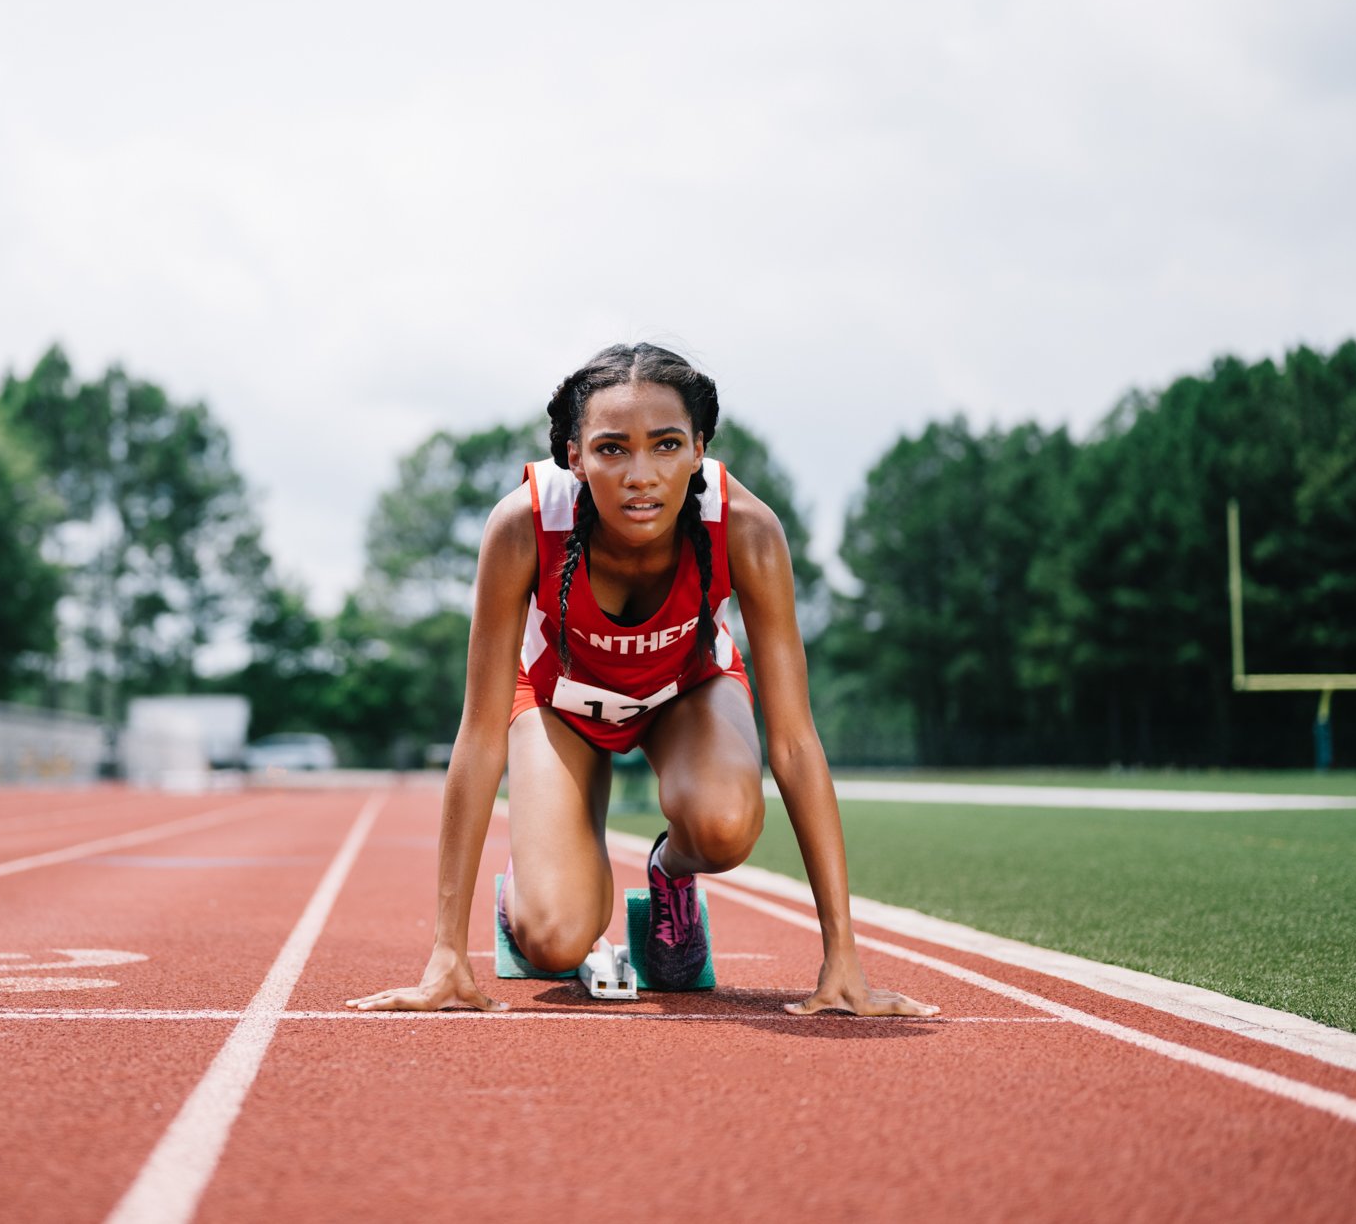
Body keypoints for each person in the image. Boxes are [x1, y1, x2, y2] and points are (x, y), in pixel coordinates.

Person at [346, 343, 936, 1017]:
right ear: (574, 455)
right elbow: (479, 738)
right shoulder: (523, 524)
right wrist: (447, 953)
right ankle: (531, 891)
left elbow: (796, 742)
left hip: (682, 696)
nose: (640, 474)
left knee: (725, 821)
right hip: (557, 703)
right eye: (611, 449)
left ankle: (669, 875)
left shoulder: (746, 529)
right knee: (558, 938)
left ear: (699, 449)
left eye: (664, 445)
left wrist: (844, 956)